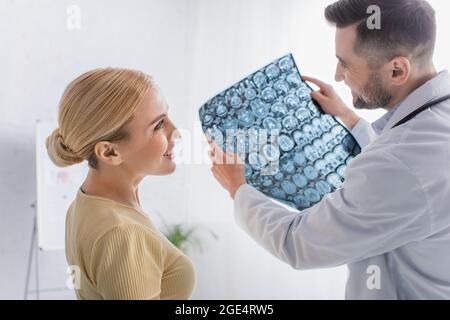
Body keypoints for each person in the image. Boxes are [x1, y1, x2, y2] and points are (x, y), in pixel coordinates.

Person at [208, 0, 450, 299]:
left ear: (397, 70)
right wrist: (350, 119)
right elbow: (402, 173)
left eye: (346, 63)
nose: (337, 74)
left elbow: (299, 243)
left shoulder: (404, 161)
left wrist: (238, 188)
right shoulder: (436, 121)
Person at [46, 68, 195, 299]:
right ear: (109, 152)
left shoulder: (83, 204)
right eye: (158, 125)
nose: (176, 134)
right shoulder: (123, 234)